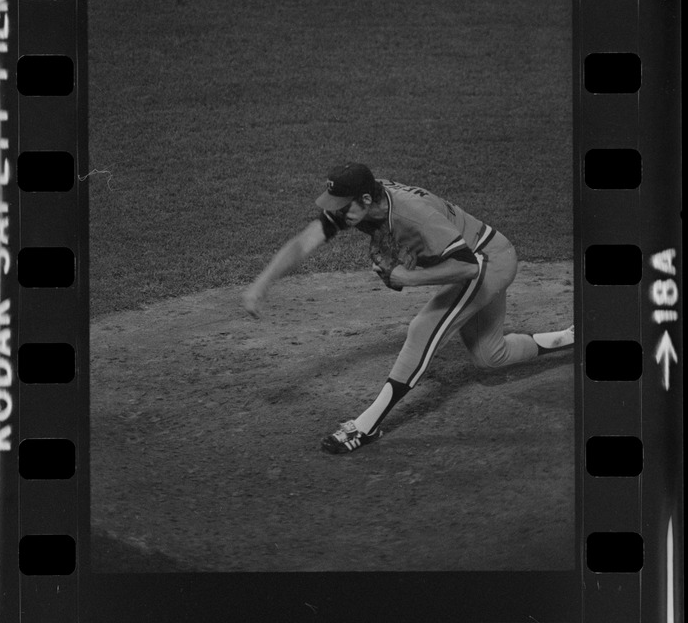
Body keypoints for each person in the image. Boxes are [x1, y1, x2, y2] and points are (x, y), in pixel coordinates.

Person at [242, 162, 574, 454]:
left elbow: (469, 268)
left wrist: (407, 278)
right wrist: (262, 283)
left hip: (487, 261)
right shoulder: (364, 202)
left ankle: (366, 426)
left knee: (422, 329)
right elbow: (304, 240)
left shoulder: (410, 214)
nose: (338, 214)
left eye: (343, 208)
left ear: (366, 200)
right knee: (490, 355)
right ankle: (570, 337)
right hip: (485, 253)